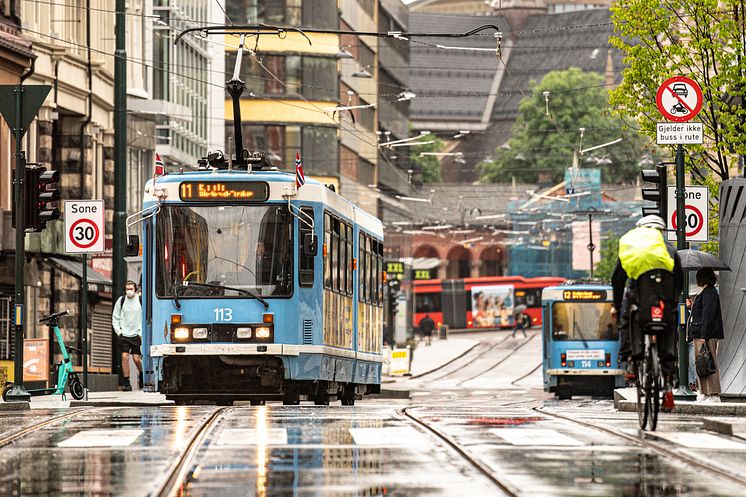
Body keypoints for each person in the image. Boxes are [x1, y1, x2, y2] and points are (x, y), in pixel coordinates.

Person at [611, 215, 683, 412]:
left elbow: (617, 279)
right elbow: (679, 278)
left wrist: (616, 307)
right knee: (667, 330)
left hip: (639, 301)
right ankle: (668, 386)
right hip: (664, 301)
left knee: (627, 315)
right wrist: (674, 302)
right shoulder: (669, 249)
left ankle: (630, 362)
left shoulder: (633, 244)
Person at [687, 268, 724, 402]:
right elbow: (703, 312)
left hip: (706, 334)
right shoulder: (707, 292)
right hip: (702, 333)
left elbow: (708, 315)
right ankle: (704, 392)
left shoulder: (710, 293)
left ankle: (713, 394)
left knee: (709, 363)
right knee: (701, 364)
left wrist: (704, 335)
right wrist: (692, 306)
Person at [112, 280, 143, 391]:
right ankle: (127, 382)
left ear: (135, 289)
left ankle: (142, 373)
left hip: (136, 334)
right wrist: (119, 332)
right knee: (125, 357)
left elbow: (145, 317)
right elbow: (115, 317)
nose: (129, 291)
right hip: (124, 334)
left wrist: (141, 333)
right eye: (127, 289)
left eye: (131, 289)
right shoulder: (121, 301)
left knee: (136, 359)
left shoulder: (140, 300)